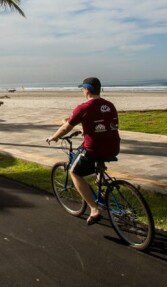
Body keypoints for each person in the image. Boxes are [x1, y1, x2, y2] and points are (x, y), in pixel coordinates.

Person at [46, 77, 120, 225]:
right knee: (97, 164)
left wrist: (54, 137)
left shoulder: (83, 107)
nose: (82, 90)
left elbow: (66, 127)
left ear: (86, 89)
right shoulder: (110, 105)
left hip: (93, 149)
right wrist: (84, 128)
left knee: (74, 172)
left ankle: (94, 209)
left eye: (83, 88)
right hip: (113, 147)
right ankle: (103, 187)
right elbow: (104, 124)